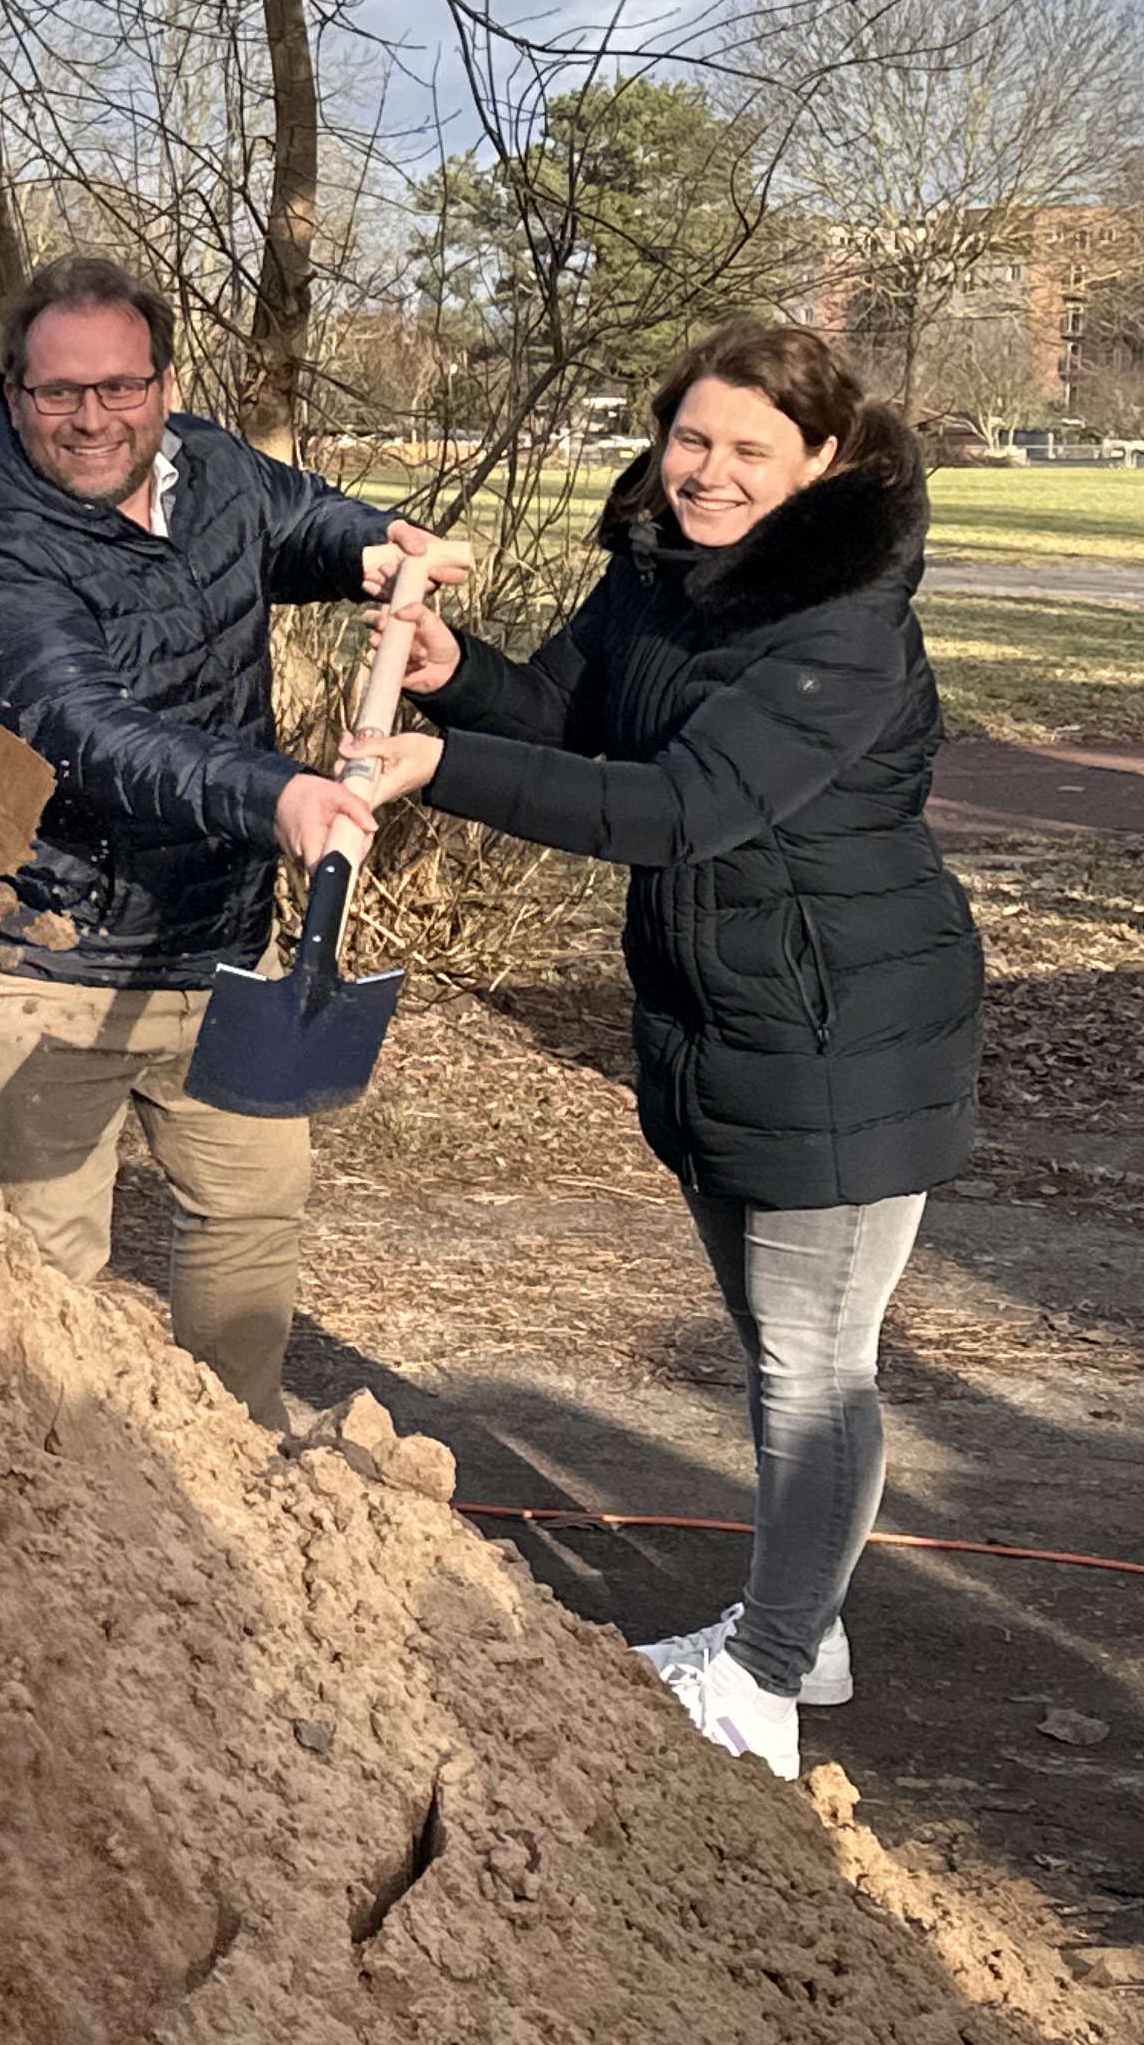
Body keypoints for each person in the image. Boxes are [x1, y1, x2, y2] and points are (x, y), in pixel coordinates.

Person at [343, 324, 976, 1779]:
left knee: (819, 1364)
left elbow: (682, 805)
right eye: (693, 439)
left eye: (751, 450)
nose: (709, 473)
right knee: (777, 1355)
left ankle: (758, 1687)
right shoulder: (659, 573)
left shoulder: (844, 618)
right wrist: (452, 676)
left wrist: (439, 769)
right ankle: (797, 1631)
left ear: (822, 462)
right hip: (720, 1016)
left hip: (847, 1027)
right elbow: (577, 717)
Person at [0, 255, 454, 1429]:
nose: (93, 417)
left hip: (223, 952)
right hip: (51, 965)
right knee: (40, 1284)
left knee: (253, 1216)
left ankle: (237, 1466)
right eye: (61, 393)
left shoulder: (204, 464)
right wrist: (277, 797)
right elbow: (90, 731)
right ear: (14, 395)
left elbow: (290, 515)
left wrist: (371, 545)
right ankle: (53, 1502)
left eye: (122, 387)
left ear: (163, 383)